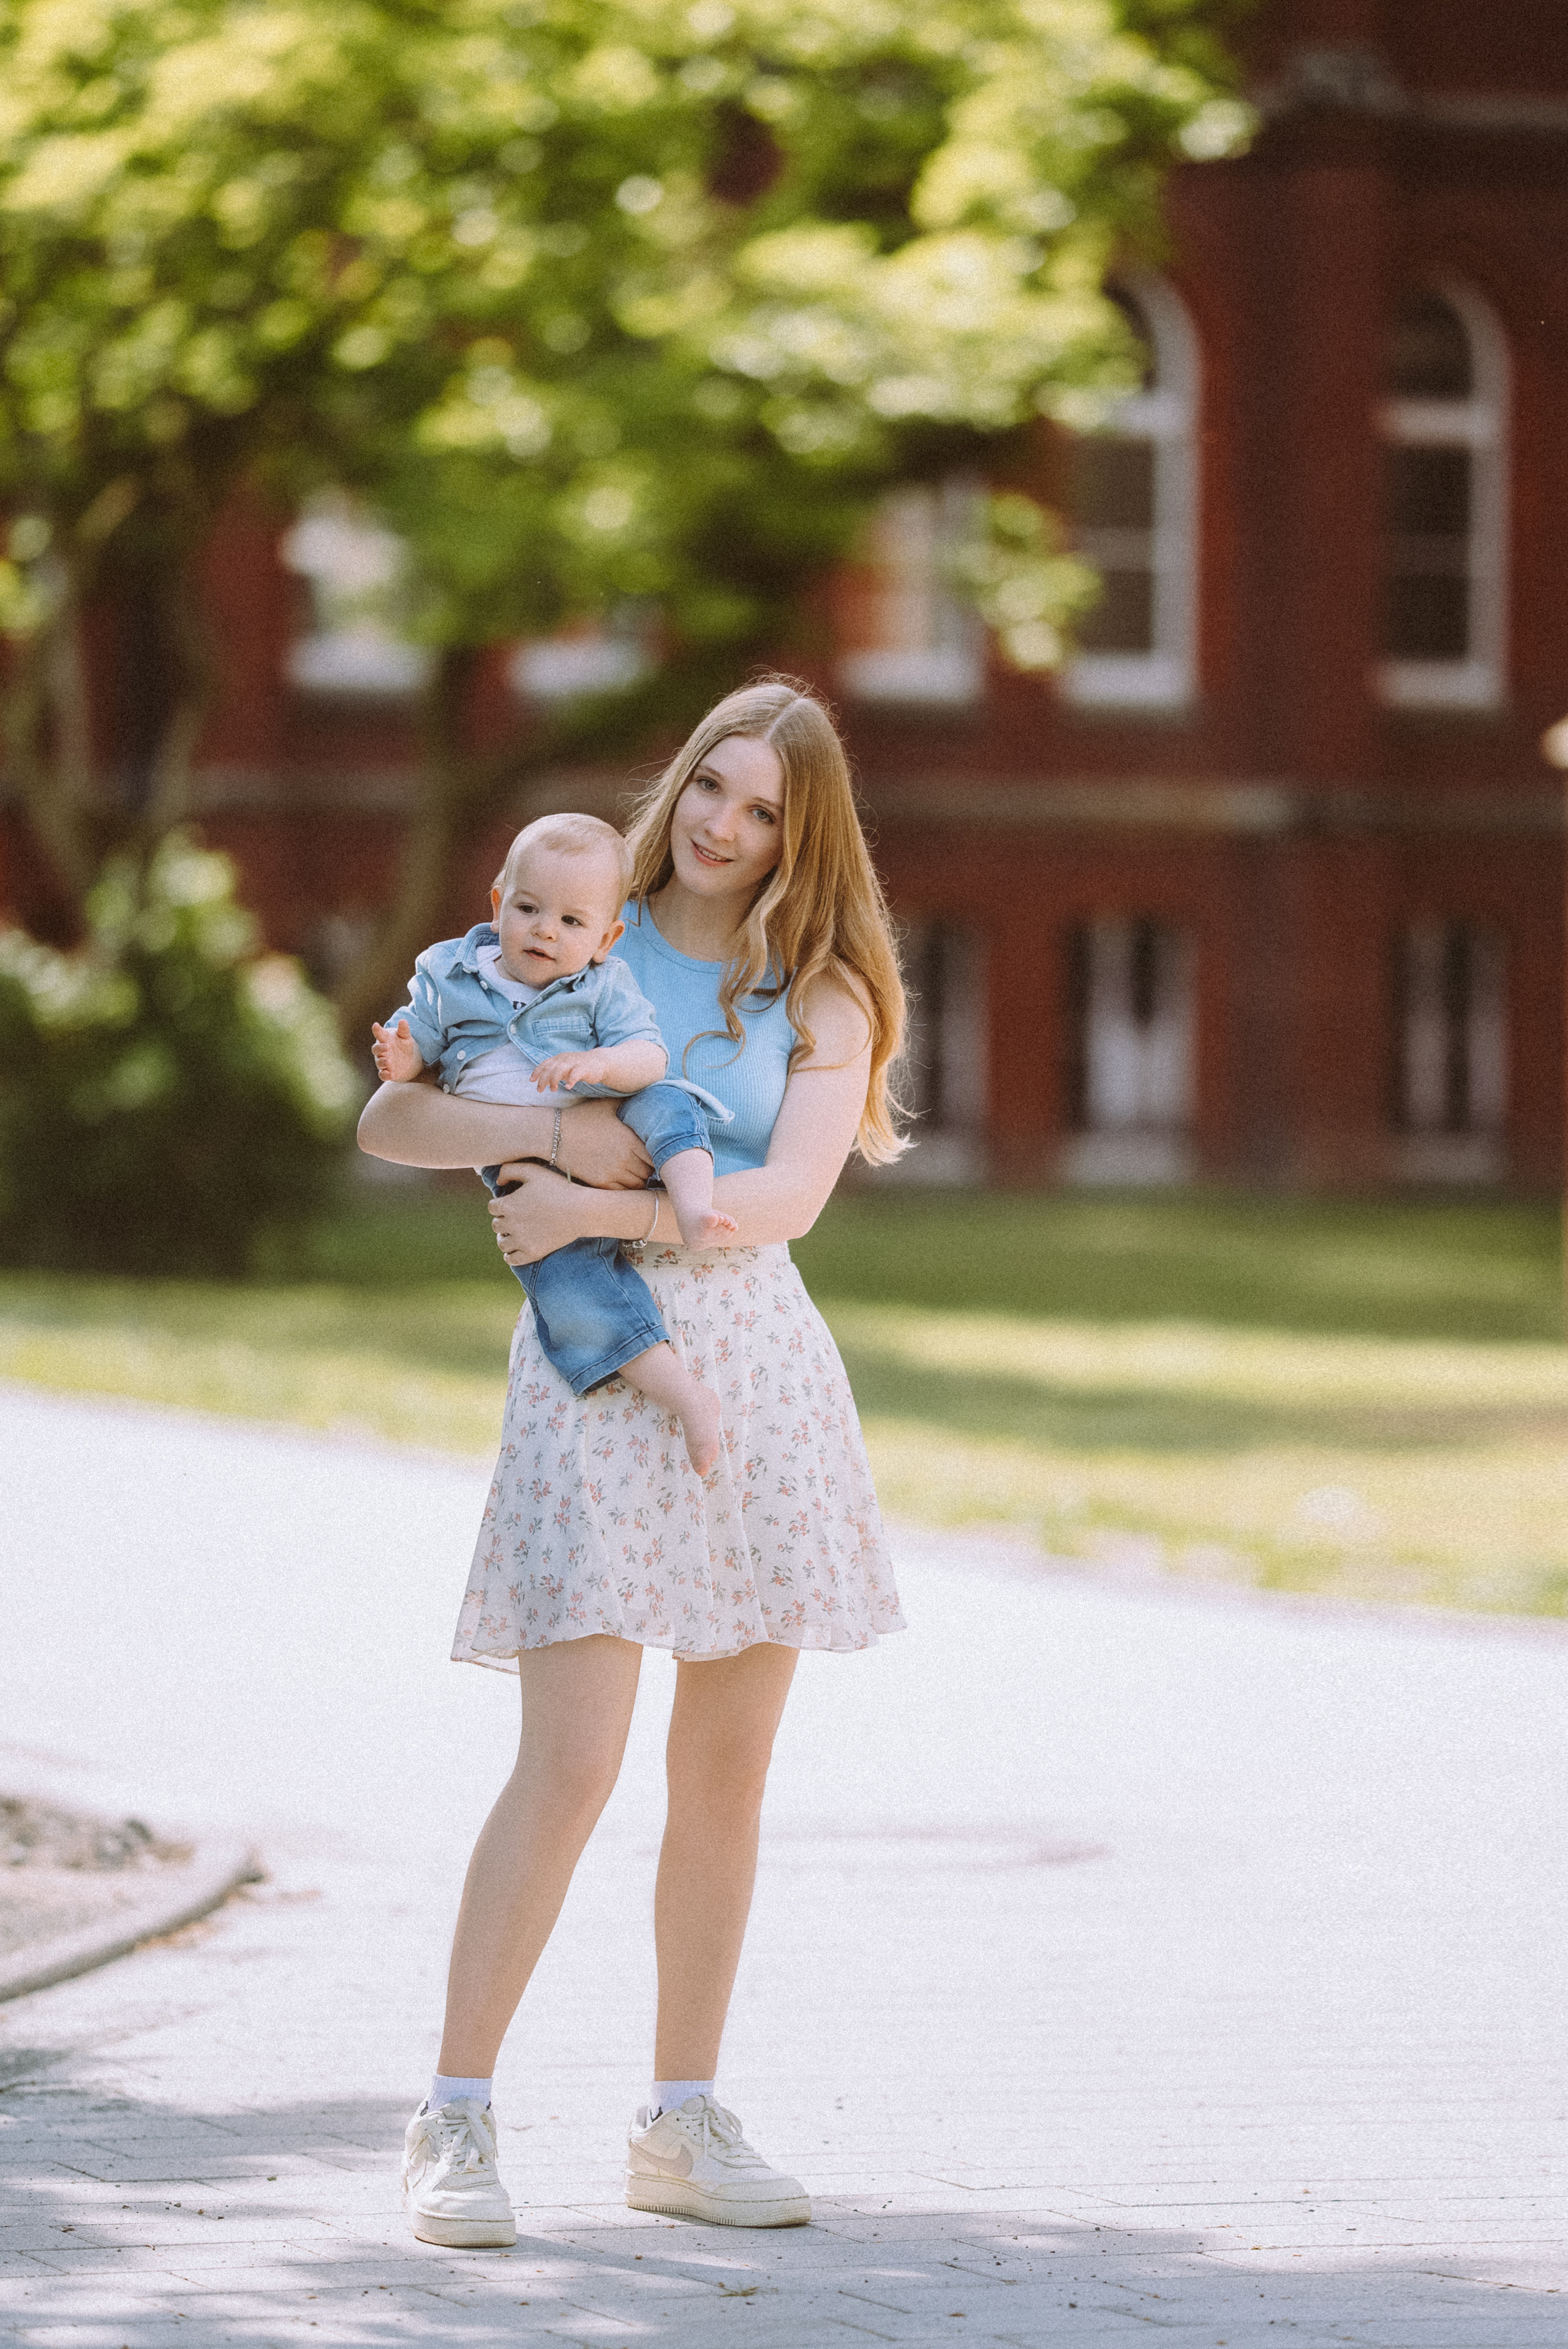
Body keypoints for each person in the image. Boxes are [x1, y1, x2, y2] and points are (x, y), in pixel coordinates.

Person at [357, 678, 908, 2250]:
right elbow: (395, 1121)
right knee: (572, 1756)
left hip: (756, 1368)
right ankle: (453, 2113)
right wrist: (549, 1146)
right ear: (682, 786)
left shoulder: (820, 994)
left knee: (722, 1775)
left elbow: (786, 1202)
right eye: (716, 789)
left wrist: (593, 1188)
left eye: (766, 811)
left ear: (805, 839)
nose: (729, 828)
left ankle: (680, 2115)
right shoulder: (571, 925)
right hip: (597, 1369)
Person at [370, 811, 736, 1475]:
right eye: (530, 908)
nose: (546, 929)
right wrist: (401, 1056)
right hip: (528, 1170)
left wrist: (602, 1067)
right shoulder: (449, 975)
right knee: (567, 1288)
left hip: (611, 1108)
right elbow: (416, 1041)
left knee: (671, 1100)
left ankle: (691, 1204)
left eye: (572, 922)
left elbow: (647, 1057)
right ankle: (686, 1397)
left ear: (606, 938)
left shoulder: (602, 984)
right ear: (497, 902)